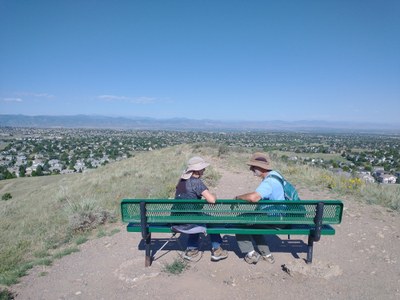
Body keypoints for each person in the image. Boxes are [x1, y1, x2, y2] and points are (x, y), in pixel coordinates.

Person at [234, 152, 285, 265]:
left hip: (274, 219)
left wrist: (238, 197)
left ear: (261, 168)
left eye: (253, 167)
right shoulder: (276, 174)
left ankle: (251, 254)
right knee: (253, 223)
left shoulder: (269, 182)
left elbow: (254, 197)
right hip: (281, 216)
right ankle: (267, 255)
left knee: (239, 221)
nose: (251, 169)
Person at [175, 156, 228, 262]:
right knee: (212, 221)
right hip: (190, 220)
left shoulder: (181, 181)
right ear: (197, 170)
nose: (204, 170)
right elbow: (212, 200)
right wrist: (214, 195)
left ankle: (192, 249)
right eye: (203, 169)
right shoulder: (196, 182)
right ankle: (217, 250)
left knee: (196, 217)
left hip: (177, 220)